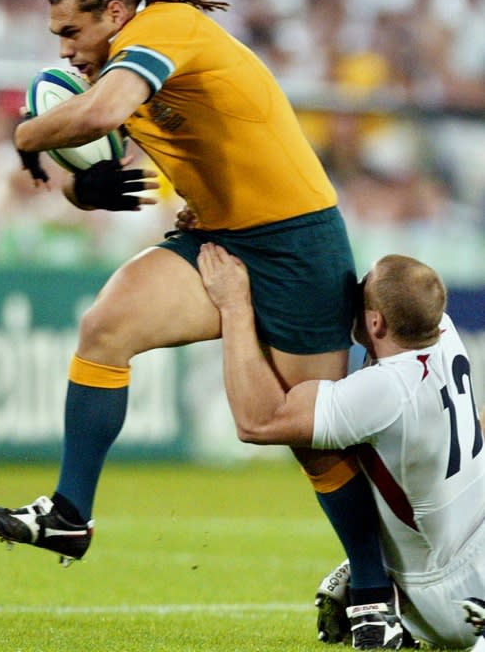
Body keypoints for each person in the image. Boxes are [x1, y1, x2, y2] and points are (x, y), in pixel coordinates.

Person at [0, 0, 395, 644]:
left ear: (114, 13)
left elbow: (96, 116)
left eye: (69, 31)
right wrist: (89, 190)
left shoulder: (166, 28)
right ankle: (72, 513)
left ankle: (373, 590)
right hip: (216, 236)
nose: (63, 49)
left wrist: (23, 133)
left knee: (312, 437)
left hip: (297, 241)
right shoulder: (118, 67)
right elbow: (92, 159)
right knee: (105, 328)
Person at [196, 245, 485, 649]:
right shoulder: (445, 330)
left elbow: (257, 423)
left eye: (364, 288)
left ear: (377, 322)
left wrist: (235, 307)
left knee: (308, 436)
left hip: (442, 597)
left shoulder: (389, 388)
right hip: (475, 547)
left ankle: (380, 596)